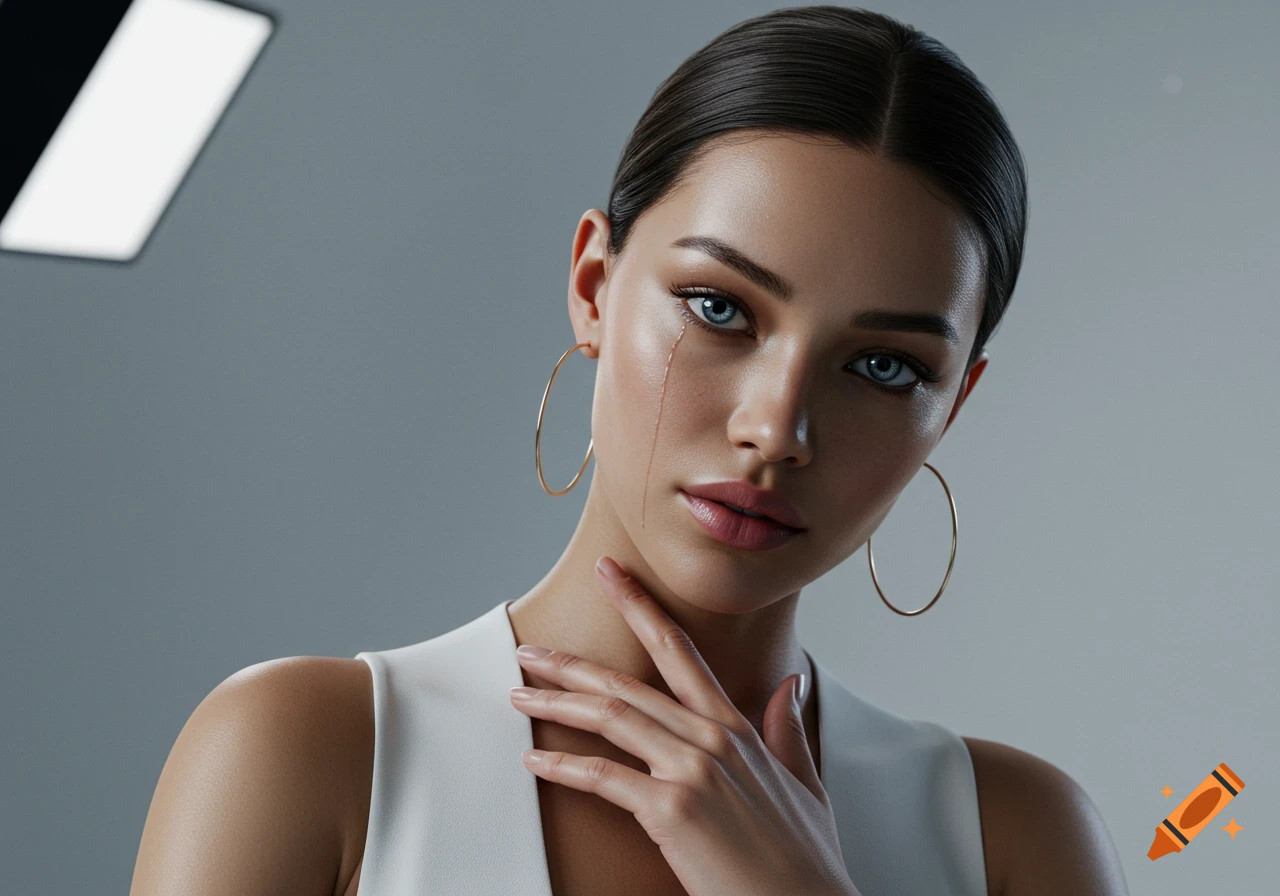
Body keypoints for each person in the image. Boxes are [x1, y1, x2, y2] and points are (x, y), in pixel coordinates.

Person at [129, 6, 1131, 896]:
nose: (775, 429)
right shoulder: (311, 754)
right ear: (594, 288)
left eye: (881, 366)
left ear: (952, 405)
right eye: (719, 308)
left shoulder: (1015, 839)